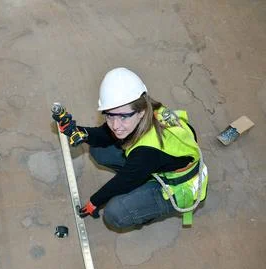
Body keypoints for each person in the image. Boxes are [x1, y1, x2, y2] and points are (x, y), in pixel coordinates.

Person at [57, 67, 208, 229]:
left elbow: (123, 182)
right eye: (109, 115)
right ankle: (142, 178)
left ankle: (147, 207)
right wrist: (81, 132)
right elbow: (105, 133)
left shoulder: (146, 153)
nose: (115, 125)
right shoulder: (144, 108)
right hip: (155, 162)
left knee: (115, 213)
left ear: (141, 112)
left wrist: (94, 202)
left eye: (123, 116)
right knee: (98, 150)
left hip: (179, 185)